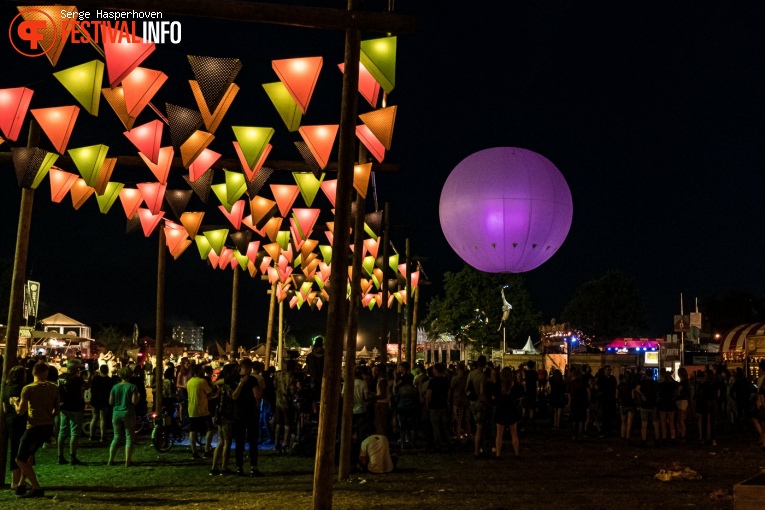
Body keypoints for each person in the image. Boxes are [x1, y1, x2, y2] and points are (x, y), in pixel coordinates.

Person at [13, 361, 60, 498]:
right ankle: (21, 484)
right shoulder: (54, 388)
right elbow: (57, 410)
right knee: (29, 456)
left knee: (20, 459)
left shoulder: (28, 388)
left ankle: (36, 487)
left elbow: (21, 411)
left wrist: (14, 403)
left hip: (33, 426)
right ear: (45, 373)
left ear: (33, 372)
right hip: (47, 426)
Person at [229, 358, 262, 477]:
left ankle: (240, 468)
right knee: (251, 441)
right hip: (249, 413)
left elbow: (234, 396)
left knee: (240, 442)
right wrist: (242, 383)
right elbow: (256, 395)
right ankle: (253, 468)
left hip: (240, 414)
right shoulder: (251, 380)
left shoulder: (235, 379)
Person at [58, 358, 88, 465]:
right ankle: (72, 456)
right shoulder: (77, 379)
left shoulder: (60, 377)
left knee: (62, 432)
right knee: (74, 433)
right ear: (75, 369)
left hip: (63, 407)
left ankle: (60, 456)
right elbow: (85, 386)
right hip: (75, 407)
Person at [109, 366, 140, 467]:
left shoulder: (115, 387)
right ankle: (127, 461)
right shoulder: (132, 387)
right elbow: (134, 402)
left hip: (116, 413)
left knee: (116, 436)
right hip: (128, 413)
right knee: (129, 437)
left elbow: (111, 402)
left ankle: (110, 460)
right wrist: (138, 397)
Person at [3, 366, 28, 492]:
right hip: (20, 421)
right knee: (21, 450)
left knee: (14, 448)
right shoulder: (20, 389)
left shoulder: (6, 389)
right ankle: (18, 481)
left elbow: (4, 408)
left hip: (10, 421)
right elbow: (22, 408)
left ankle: (16, 480)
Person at [186, 363, 215, 459]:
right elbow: (210, 393)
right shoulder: (202, 381)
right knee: (210, 429)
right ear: (198, 371)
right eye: (201, 370)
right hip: (202, 410)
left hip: (191, 409)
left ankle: (194, 452)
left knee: (193, 430)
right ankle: (207, 450)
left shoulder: (189, 382)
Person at [495, 367, 522, 458]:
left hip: (501, 409)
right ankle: (517, 453)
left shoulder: (498, 384)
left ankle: (498, 453)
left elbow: (495, 396)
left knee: (499, 434)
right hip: (511, 409)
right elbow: (519, 394)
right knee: (514, 433)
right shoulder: (514, 384)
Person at [425, 363, 451, 451]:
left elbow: (429, 394)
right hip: (443, 405)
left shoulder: (432, 381)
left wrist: (427, 404)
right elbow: (448, 393)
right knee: (444, 425)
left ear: (435, 370)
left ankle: (438, 444)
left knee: (435, 426)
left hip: (434, 405)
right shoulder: (446, 380)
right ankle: (448, 442)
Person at [467, 355, 488, 458]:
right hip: (480, 403)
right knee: (480, 428)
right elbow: (482, 392)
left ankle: (482, 449)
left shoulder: (471, 374)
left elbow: (467, 389)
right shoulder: (482, 376)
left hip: (472, 403)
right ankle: (477, 451)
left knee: (479, 427)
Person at [89, 364, 116, 442]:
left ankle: (91, 436)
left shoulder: (95, 378)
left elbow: (92, 389)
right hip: (104, 401)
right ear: (107, 370)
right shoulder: (110, 380)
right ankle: (102, 436)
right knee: (102, 419)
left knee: (94, 418)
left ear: (100, 370)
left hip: (95, 400)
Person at [634, 369, 660, 448]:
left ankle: (644, 440)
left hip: (644, 405)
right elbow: (658, 393)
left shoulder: (642, 382)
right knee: (655, 423)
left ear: (645, 374)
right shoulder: (656, 383)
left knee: (644, 424)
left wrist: (642, 395)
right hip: (653, 404)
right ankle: (657, 440)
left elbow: (636, 389)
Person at [305, 336, 325, 415]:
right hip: (324, 380)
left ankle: (314, 412)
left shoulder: (309, 356)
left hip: (312, 380)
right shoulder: (326, 355)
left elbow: (307, 368)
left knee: (313, 398)